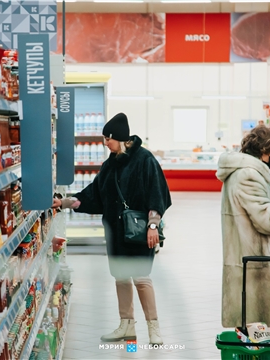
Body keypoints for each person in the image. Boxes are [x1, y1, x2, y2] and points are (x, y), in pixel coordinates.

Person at [52, 113, 171, 345]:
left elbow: (158, 194)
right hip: (116, 232)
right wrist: (65, 202)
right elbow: (93, 195)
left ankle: (154, 328)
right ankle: (126, 325)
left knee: (141, 278)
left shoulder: (145, 160)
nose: (105, 142)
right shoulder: (109, 166)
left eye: (108, 138)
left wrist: (153, 225)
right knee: (121, 278)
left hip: (139, 232)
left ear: (119, 138)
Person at [215, 125, 270, 328]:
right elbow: (266, 219)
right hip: (255, 265)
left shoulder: (247, 172)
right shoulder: (248, 175)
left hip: (252, 261)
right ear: (264, 150)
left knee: (253, 331)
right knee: (255, 327)